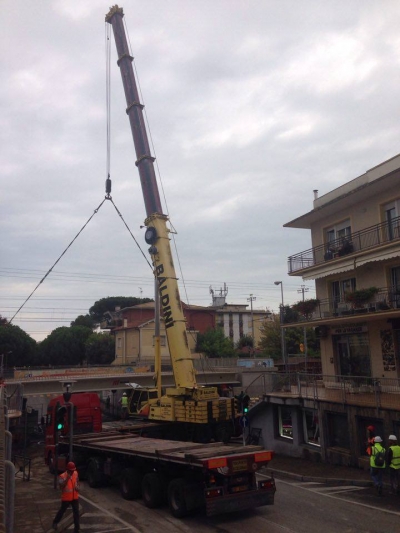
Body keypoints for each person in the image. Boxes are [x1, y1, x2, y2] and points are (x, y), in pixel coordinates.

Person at [52, 461, 80, 532]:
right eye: (71, 471)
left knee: (76, 513)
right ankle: (55, 522)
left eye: (73, 470)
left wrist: (77, 487)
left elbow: (77, 482)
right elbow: (61, 487)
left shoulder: (76, 473)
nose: (72, 472)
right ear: (67, 470)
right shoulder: (62, 476)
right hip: (66, 498)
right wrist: (67, 479)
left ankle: (77, 529)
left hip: (74, 497)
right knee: (62, 511)